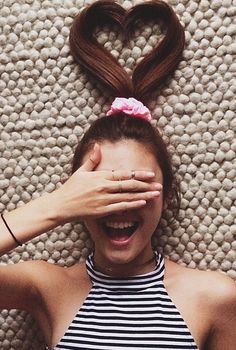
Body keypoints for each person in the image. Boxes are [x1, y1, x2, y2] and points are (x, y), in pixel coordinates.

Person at [0, 1, 235, 349]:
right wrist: (56, 205)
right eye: (103, 189)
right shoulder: (49, 287)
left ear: (167, 195)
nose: (119, 206)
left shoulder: (216, 297)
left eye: (136, 186)